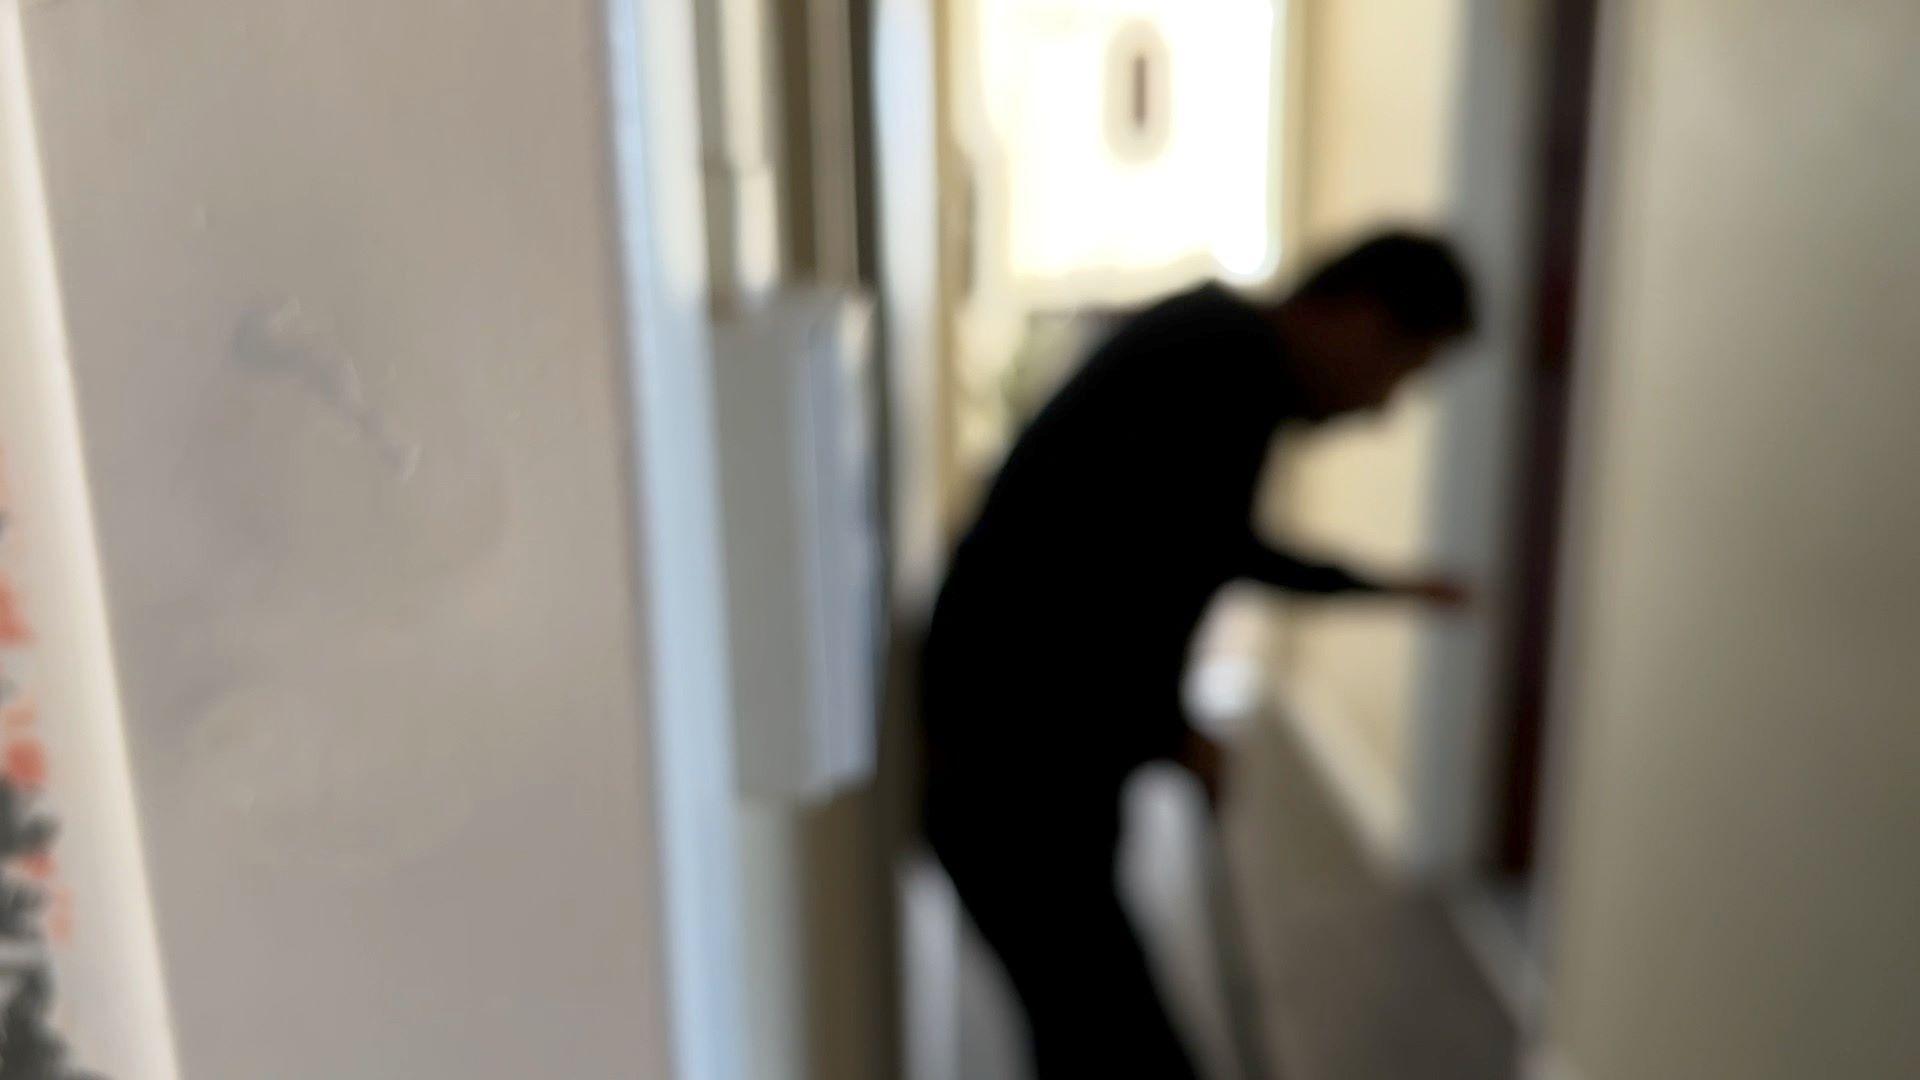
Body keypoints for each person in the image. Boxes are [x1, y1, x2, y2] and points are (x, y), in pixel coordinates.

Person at [920, 231, 1476, 1078]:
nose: (1379, 407)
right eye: (1400, 370)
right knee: (1119, 1044)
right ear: (1361, 318)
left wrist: (1385, 588)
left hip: (1018, 758)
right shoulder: (1224, 368)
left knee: (1083, 1034)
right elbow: (1121, 571)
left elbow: (1206, 543)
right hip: (1013, 767)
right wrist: (1172, 729)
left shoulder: (1218, 352)